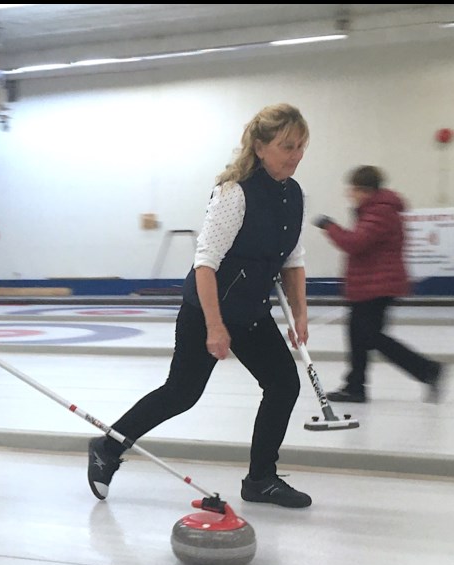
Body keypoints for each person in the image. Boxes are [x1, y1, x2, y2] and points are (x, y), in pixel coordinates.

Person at [88, 103, 312, 509]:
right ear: (260, 147)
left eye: (300, 146)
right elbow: (205, 262)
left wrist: (300, 314)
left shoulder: (293, 195)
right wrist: (214, 326)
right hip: (206, 309)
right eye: (286, 146)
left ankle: (261, 479)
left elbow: (293, 260)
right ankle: (108, 445)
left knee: (283, 384)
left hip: (252, 312)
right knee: (182, 393)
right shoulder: (235, 193)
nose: (295, 155)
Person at [314, 165, 445, 404]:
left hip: (377, 285)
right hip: (371, 284)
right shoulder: (375, 209)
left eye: (352, 189)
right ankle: (355, 387)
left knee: (371, 337)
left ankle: (428, 369)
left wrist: (329, 227)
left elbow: (355, 243)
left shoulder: (380, 211)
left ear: (364, 190)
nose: (349, 194)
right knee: (357, 335)